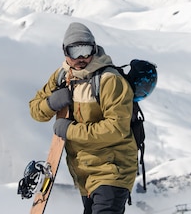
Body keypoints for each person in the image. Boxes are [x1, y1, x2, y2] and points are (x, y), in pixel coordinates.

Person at [29, 22, 138, 214]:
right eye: (75, 51)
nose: (81, 58)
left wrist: (70, 130)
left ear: (94, 49)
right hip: (84, 174)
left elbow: (116, 129)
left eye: (86, 50)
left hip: (113, 169)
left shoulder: (109, 80)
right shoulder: (62, 76)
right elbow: (35, 111)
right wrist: (51, 104)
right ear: (65, 53)